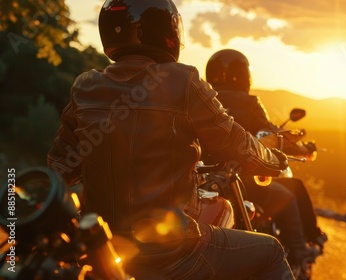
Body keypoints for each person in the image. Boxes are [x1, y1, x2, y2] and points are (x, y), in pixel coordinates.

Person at [47, 1, 295, 279]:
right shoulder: (182, 80)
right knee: (271, 250)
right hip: (172, 251)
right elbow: (235, 144)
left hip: (103, 249)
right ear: (167, 30)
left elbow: (60, 167)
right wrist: (273, 161)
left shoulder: (85, 86)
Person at [205, 49, 328, 252]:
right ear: (245, 74)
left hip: (206, 182)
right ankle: (299, 251)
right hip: (242, 181)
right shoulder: (249, 103)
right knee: (288, 195)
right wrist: (305, 148)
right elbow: (272, 137)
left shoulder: (204, 100)